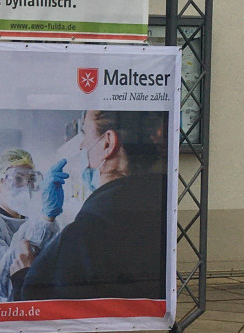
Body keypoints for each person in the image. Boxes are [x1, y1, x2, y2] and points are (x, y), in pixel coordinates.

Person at [13, 109, 169, 301]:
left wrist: (23, 275)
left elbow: (36, 300)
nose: (82, 145)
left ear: (107, 143)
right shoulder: (159, 205)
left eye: (85, 133)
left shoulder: (88, 229)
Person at [0, 149, 64, 303]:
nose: (26, 186)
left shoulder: (37, 225)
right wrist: (46, 218)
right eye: (18, 178)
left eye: (31, 179)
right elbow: (5, 280)